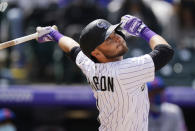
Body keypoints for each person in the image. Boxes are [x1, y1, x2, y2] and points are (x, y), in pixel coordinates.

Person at [36, 15, 174, 131]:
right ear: (96, 52)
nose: (117, 38)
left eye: (114, 33)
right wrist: (142, 30)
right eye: (108, 39)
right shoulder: (124, 70)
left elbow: (72, 48)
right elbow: (165, 51)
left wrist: (54, 34)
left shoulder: (91, 65)